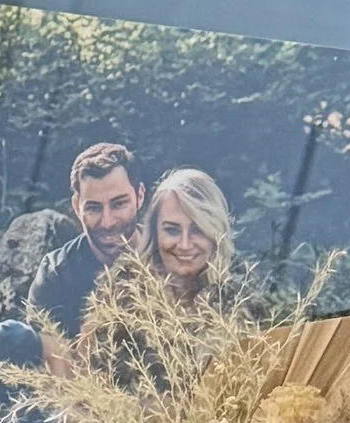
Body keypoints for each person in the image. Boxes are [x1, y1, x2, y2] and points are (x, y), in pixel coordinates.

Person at [28, 142, 146, 350]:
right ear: (76, 206)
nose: (107, 222)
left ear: (140, 196)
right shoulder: (56, 275)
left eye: (119, 204)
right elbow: (54, 372)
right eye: (93, 208)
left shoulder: (170, 257)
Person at [145, 167, 234, 306]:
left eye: (197, 230)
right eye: (172, 230)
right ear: (154, 234)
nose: (184, 245)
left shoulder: (248, 309)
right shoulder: (116, 310)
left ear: (216, 235)